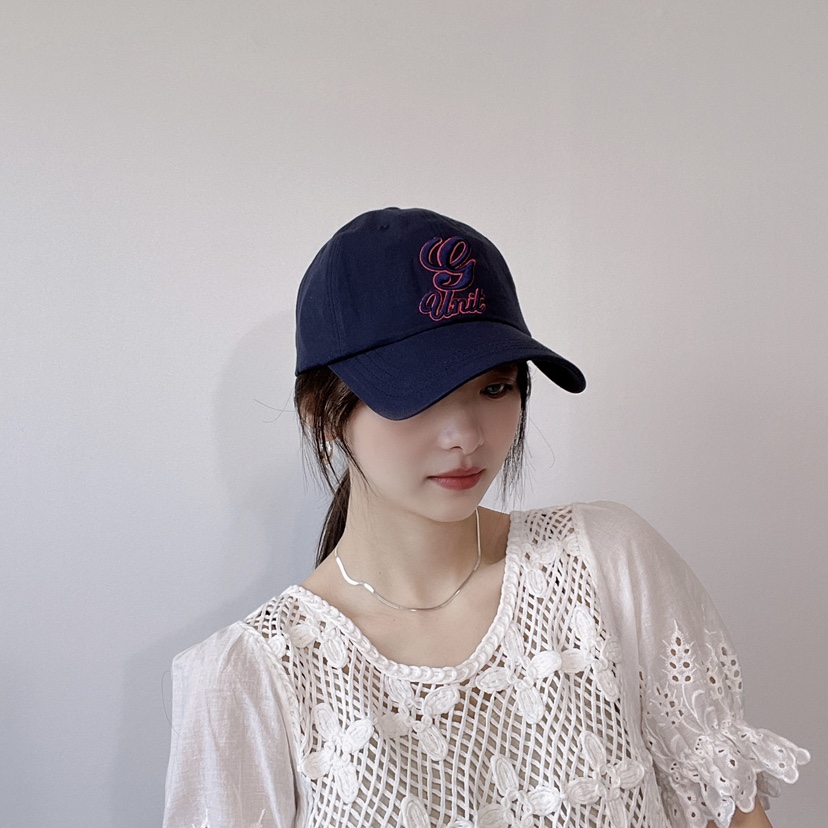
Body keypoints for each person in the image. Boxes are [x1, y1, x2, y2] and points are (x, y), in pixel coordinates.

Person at [163, 207, 809, 828]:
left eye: (494, 387)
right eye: (420, 394)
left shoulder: (610, 564)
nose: (467, 435)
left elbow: (734, 815)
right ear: (321, 413)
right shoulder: (247, 681)